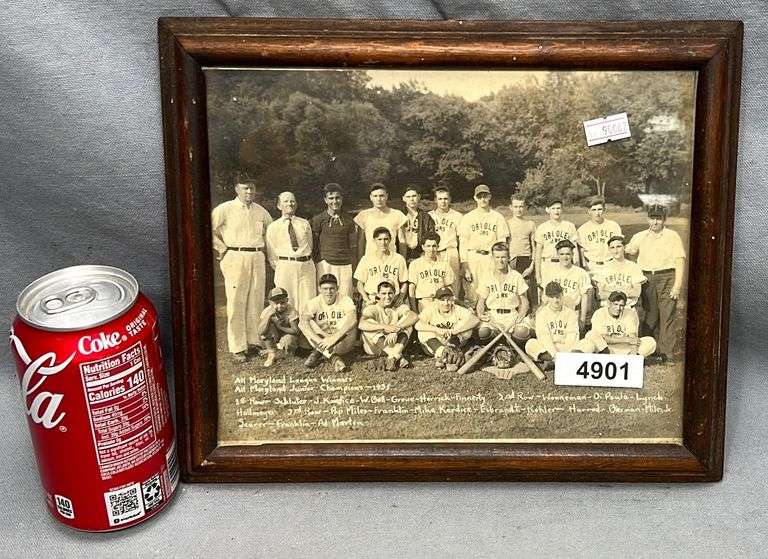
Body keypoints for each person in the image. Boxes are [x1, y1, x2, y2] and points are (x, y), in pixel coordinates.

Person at [211, 177, 273, 362]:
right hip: (235, 256)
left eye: (252, 188)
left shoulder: (260, 211)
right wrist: (221, 247)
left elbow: (272, 230)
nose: (249, 192)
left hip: (256, 256)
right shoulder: (225, 208)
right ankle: (238, 347)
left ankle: (254, 342)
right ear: (237, 188)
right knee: (237, 301)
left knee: (255, 299)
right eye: (245, 188)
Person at [625, 204, 687, 361]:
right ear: (647, 219)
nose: (655, 222)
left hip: (667, 277)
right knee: (650, 314)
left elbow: (679, 261)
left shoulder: (672, 236)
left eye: (658, 218)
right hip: (647, 278)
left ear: (664, 219)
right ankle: (649, 350)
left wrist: (677, 286)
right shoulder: (640, 236)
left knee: (667, 314)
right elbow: (629, 251)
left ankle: (667, 352)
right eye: (652, 218)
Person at [265, 191, 317, 317]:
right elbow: (271, 254)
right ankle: (289, 331)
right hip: (285, 266)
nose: (290, 203)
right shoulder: (273, 226)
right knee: (286, 298)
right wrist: (283, 266)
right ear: (278, 206)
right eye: (286, 201)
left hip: (306, 264)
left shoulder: (304, 223)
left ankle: (307, 331)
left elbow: (310, 244)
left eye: (292, 201)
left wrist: (303, 258)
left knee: (308, 298)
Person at [457, 184, 510, 305]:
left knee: (492, 288)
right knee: (472, 291)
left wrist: (501, 261)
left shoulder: (498, 217)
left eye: (485, 196)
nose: (483, 199)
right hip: (473, 257)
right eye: (479, 196)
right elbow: (463, 242)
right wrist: (464, 264)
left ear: (490, 196)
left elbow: (502, 242)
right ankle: (475, 317)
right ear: (475, 198)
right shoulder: (468, 217)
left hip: (491, 257)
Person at [299, 274, 357, 372]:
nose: (328, 292)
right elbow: (302, 323)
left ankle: (318, 352)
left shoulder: (345, 299)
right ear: (319, 289)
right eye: (325, 289)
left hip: (343, 342)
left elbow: (353, 320)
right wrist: (321, 342)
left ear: (337, 288)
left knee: (348, 320)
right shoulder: (314, 302)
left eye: (331, 288)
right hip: (323, 341)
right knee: (308, 322)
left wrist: (333, 339)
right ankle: (334, 358)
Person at [476, 242, 531, 344]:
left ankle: (511, 348)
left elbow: (525, 301)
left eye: (503, 257)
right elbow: (480, 302)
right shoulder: (487, 276)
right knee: (482, 332)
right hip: (493, 316)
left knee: (521, 332)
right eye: (497, 257)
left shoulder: (516, 276)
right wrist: (480, 314)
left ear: (509, 258)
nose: (500, 260)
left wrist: (521, 315)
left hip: (512, 315)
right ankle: (497, 349)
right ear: (492, 258)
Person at [310, 183, 358, 298]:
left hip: (345, 265)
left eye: (337, 198)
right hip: (325, 264)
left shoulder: (349, 220)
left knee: (345, 297)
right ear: (325, 200)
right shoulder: (318, 220)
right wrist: (320, 261)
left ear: (342, 199)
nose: (334, 201)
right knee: (325, 297)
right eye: (331, 198)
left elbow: (353, 246)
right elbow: (314, 244)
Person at [358, 281, 419, 371]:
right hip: (376, 348)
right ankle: (396, 355)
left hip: (394, 343)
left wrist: (397, 329)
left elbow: (414, 316)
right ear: (378, 294)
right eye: (383, 293)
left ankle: (392, 356)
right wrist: (385, 327)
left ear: (395, 294)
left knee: (407, 323)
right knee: (369, 325)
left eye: (390, 293)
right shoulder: (372, 307)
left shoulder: (398, 306)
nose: (387, 297)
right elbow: (361, 324)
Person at [415, 287, 480, 371]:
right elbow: (417, 325)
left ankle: (448, 355)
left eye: (449, 300)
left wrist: (456, 331)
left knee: (465, 325)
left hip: (453, 341)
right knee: (423, 330)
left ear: (452, 300)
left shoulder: (456, 308)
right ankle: (444, 354)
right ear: (436, 301)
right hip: (434, 345)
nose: (446, 303)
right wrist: (437, 330)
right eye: (442, 300)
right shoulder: (431, 309)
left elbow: (475, 319)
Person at [575, 291, 656, 356]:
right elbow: (603, 338)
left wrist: (633, 351)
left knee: (650, 341)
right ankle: (607, 357)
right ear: (608, 303)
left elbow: (633, 337)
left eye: (621, 305)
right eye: (615, 304)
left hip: (625, 350)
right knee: (591, 334)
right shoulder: (600, 313)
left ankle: (630, 360)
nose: (618, 308)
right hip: (606, 348)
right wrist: (627, 340)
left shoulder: (630, 313)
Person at [525, 282, 581, 371]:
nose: (556, 300)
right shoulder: (542, 314)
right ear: (547, 297)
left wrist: (566, 354)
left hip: (566, 348)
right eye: (552, 297)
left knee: (585, 344)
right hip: (549, 350)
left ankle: (554, 363)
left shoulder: (570, 313)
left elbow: (572, 335)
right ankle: (558, 361)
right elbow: (544, 337)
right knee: (530, 344)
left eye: (558, 296)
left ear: (562, 295)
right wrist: (555, 355)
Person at [543, 239, 593, 332]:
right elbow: (545, 296)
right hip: (553, 311)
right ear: (557, 255)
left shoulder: (580, 273)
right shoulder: (550, 271)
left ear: (572, 255)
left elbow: (584, 297)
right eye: (562, 254)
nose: (565, 257)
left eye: (568, 254)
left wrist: (582, 320)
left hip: (572, 311)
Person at [354, 227, 408, 306]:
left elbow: (404, 282)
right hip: (373, 299)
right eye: (379, 239)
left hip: (392, 300)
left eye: (386, 239)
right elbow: (359, 283)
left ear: (390, 240)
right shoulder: (366, 259)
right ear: (374, 241)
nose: (383, 242)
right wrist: (366, 299)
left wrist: (401, 297)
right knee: (367, 317)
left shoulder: (398, 259)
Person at [534, 197, 579, 290]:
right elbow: (538, 253)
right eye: (553, 208)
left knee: (566, 293)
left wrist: (576, 268)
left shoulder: (569, 226)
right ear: (547, 210)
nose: (556, 211)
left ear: (562, 209)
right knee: (546, 296)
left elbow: (575, 250)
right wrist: (538, 274)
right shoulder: (542, 228)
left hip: (565, 263)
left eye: (558, 208)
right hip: (547, 264)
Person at [354, 183, 407, 257]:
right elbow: (361, 242)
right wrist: (360, 261)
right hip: (370, 259)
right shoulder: (363, 215)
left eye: (381, 196)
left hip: (391, 260)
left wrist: (402, 261)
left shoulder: (397, 214)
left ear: (387, 196)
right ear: (371, 197)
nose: (378, 199)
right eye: (375, 196)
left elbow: (402, 241)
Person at [594, 235, 646, 309]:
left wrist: (612, 291)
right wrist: (624, 291)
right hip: (608, 308)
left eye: (618, 246)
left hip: (627, 307)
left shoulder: (633, 267)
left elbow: (636, 292)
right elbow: (600, 294)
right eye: (612, 247)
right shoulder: (603, 268)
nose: (616, 250)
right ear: (609, 249)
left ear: (624, 248)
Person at [407, 232, 454, 312]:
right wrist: (414, 309)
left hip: (441, 301)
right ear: (423, 247)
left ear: (438, 247)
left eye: (434, 246)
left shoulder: (444, 265)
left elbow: (449, 287)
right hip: (424, 302)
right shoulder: (415, 264)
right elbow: (412, 288)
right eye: (428, 246)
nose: (431, 249)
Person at [428, 187, 463, 295]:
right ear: (435, 200)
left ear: (450, 199)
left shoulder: (458, 216)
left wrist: (462, 260)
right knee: (434, 281)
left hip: (450, 251)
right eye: (440, 199)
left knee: (453, 281)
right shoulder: (429, 216)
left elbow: (461, 239)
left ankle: (454, 304)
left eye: (446, 198)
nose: (443, 201)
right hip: (433, 252)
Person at [506, 193, 537, 309]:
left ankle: (529, 317)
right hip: (511, 260)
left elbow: (534, 247)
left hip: (526, 260)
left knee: (527, 290)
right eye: (516, 206)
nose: (519, 209)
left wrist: (532, 265)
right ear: (510, 207)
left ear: (525, 208)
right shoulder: (506, 223)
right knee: (512, 290)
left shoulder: (530, 224)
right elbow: (504, 245)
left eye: (521, 206)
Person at [576, 197, 622, 274]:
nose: (597, 213)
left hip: (610, 264)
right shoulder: (582, 229)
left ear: (604, 209)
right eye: (594, 210)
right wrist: (585, 267)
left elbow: (620, 247)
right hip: (592, 266)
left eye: (599, 209)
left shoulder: (613, 226)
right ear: (589, 211)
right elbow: (581, 250)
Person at [256, 287, 299, 367]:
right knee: (266, 329)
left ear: (287, 300)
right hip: (273, 337)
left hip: (285, 335)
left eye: (283, 302)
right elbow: (260, 331)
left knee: (289, 340)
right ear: (270, 303)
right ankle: (271, 353)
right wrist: (268, 316)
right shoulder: (267, 311)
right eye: (276, 303)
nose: (280, 306)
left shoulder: (291, 310)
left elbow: (296, 331)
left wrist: (280, 327)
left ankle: (281, 352)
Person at [400, 187, 436, 263]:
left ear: (419, 197)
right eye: (408, 197)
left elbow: (431, 236)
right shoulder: (398, 215)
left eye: (414, 196)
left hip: (420, 253)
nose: (411, 199)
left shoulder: (426, 217)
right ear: (403, 198)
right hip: (401, 252)